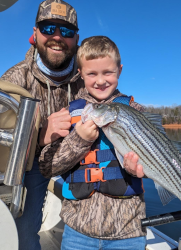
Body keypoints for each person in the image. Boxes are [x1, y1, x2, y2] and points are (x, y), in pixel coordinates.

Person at [39, 36, 147, 250]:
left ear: (120, 70)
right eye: (92, 73)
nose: (100, 81)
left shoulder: (135, 111)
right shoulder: (69, 113)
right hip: (77, 231)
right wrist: (79, 140)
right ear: (80, 73)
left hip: (127, 230)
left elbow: (150, 162)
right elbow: (47, 167)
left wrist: (134, 169)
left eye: (108, 72)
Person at [0, 0, 85, 249]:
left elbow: (117, 106)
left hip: (82, 158)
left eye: (66, 31)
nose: (57, 37)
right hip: (33, 164)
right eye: (49, 28)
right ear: (34, 33)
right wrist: (36, 135)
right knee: (23, 234)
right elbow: (2, 146)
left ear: (76, 38)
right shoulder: (15, 78)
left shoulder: (90, 74)